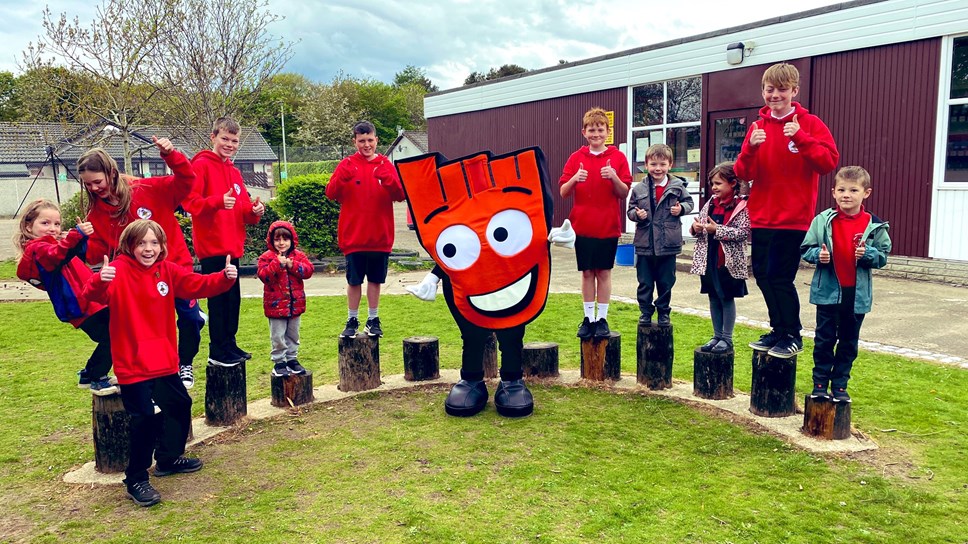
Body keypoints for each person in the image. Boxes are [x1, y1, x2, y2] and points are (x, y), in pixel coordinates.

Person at [82, 219, 237, 507]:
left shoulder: (167, 270)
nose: (148, 248)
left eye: (154, 242)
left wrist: (226, 277)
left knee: (180, 406)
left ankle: (168, 458)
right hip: (133, 363)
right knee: (144, 420)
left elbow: (197, 285)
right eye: (142, 243)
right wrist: (97, 280)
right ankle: (136, 478)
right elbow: (87, 298)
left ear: (162, 246)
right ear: (130, 245)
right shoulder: (116, 272)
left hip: (164, 359)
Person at [401, 147, 554, 418]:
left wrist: (548, 238)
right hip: (468, 283)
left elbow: (529, 226)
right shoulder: (455, 215)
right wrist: (434, 276)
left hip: (510, 274)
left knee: (512, 333)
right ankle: (471, 378)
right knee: (471, 335)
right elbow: (450, 245)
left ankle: (511, 379)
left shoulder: (503, 206)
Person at [78, 136, 206, 390]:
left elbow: (187, 180)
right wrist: (79, 240)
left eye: (97, 182)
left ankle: (185, 363)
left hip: (175, 269)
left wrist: (171, 156)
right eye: (87, 185)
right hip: (138, 281)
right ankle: (149, 376)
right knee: (146, 332)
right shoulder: (96, 214)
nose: (93, 188)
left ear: (111, 173)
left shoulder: (147, 190)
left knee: (191, 320)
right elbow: (97, 252)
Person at [734, 62, 840, 359]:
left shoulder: (810, 124)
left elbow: (828, 162)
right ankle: (778, 330)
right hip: (762, 215)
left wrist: (800, 138)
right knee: (763, 276)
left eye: (782, 89)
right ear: (763, 91)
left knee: (780, 277)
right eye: (770, 89)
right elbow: (743, 171)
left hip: (793, 218)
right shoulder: (757, 127)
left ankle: (793, 334)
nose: (775, 95)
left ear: (795, 90)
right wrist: (750, 148)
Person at [801, 166, 890, 402]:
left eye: (853, 190)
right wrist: (816, 256)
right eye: (841, 189)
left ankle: (840, 385)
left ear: (866, 193)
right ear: (833, 192)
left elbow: (882, 257)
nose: (846, 195)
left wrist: (868, 253)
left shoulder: (875, 225)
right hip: (828, 293)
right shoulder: (822, 220)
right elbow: (806, 249)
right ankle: (820, 383)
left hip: (856, 296)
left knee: (848, 343)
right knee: (823, 341)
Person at [184, 117, 266, 367]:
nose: (230, 144)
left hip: (233, 247)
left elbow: (242, 208)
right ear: (213, 137)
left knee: (232, 301)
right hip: (213, 248)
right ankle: (217, 350)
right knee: (218, 302)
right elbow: (190, 204)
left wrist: (255, 211)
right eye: (225, 139)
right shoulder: (200, 166)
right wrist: (218, 201)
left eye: (234, 141)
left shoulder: (233, 171)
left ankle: (229, 344)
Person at [14, 199, 116, 395]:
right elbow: (57, 256)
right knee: (112, 336)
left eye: (57, 223)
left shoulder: (53, 245)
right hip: (80, 305)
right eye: (45, 223)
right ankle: (96, 376)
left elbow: (74, 254)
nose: (52, 228)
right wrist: (76, 234)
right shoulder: (38, 249)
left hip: (90, 301)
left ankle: (90, 373)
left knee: (117, 331)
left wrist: (81, 239)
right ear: (29, 226)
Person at [325, 120, 405, 338]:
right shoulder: (347, 164)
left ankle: (373, 318)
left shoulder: (385, 165)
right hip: (354, 236)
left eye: (370, 140)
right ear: (355, 142)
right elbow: (331, 193)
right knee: (354, 281)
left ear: (376, 140)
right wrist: (342, 178)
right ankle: (352, 318)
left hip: (380, 236)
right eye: (362, 141)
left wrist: (388, 180)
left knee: (376, 281)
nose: (366, 144)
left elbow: (400, 195)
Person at [559, 107, 633, 339]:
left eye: (600, 129)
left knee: (604, 272)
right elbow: (563, 192)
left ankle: (602, 318)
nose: (596, 134)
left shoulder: (618, 158)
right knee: (587, 273)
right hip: (582, 226)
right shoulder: (576, 158)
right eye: (592, 130)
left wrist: (613, 176)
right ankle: (588, 318)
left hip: (608, 226)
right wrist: (574, 178)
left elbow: (624, 192)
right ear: (584, 132)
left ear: (607, 132)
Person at [626, 143, 694, 326]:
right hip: (645, 243)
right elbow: (630, 210)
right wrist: (636, 215)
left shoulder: (678, 186)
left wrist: (681, 209)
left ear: (670, 165)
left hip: (668, 244)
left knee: (666, 282)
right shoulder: (638, 189)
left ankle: (664, 312)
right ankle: (645, 312)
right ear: (646, 165)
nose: (658, 168)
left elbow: (689, 203)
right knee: (645, 282)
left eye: (662, 164)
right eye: (654, 164)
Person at [689, 163, 750, 353]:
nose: (714, 188)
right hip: (709, 258)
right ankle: (716, 336)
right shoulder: (711, 202)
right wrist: (696, 228)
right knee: (713, 296)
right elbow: (699, 223)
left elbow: (743, 232)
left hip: (728, 262)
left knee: (726, 297)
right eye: (712, 184)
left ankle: (727, 338)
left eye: (718, 183)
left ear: (732, 183)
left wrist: (718, 230)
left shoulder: (742, 206)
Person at [256, 221, 314, 377]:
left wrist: (291, 265)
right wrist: (277, 263)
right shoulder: (266, 258)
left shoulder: (298, 256)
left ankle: (292, 359)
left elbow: (308, 271)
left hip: (295, 305)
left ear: (292, 240)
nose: (281, 243)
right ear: (271, 240)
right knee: (278, 336)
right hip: (275, 307)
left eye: (285, 239)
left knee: (293, 334)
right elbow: (264, 276)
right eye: (277, 239)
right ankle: (279, 362)